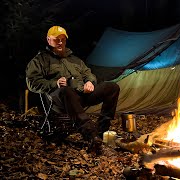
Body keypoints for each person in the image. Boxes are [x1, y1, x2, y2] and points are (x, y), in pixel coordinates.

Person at [25, 25, 120, 153]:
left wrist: (90, 82)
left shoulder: (75, 60)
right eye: (56, 39)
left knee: (112, 87)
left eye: (63, 39)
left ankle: (101, 131)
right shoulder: (40, 60)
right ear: (48, 40)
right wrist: (55, 83)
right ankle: (91, 135)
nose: (60, 42)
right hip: (59, 100)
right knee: (66, 90)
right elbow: (32, 83)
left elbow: (88, 73)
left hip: (81, 96)